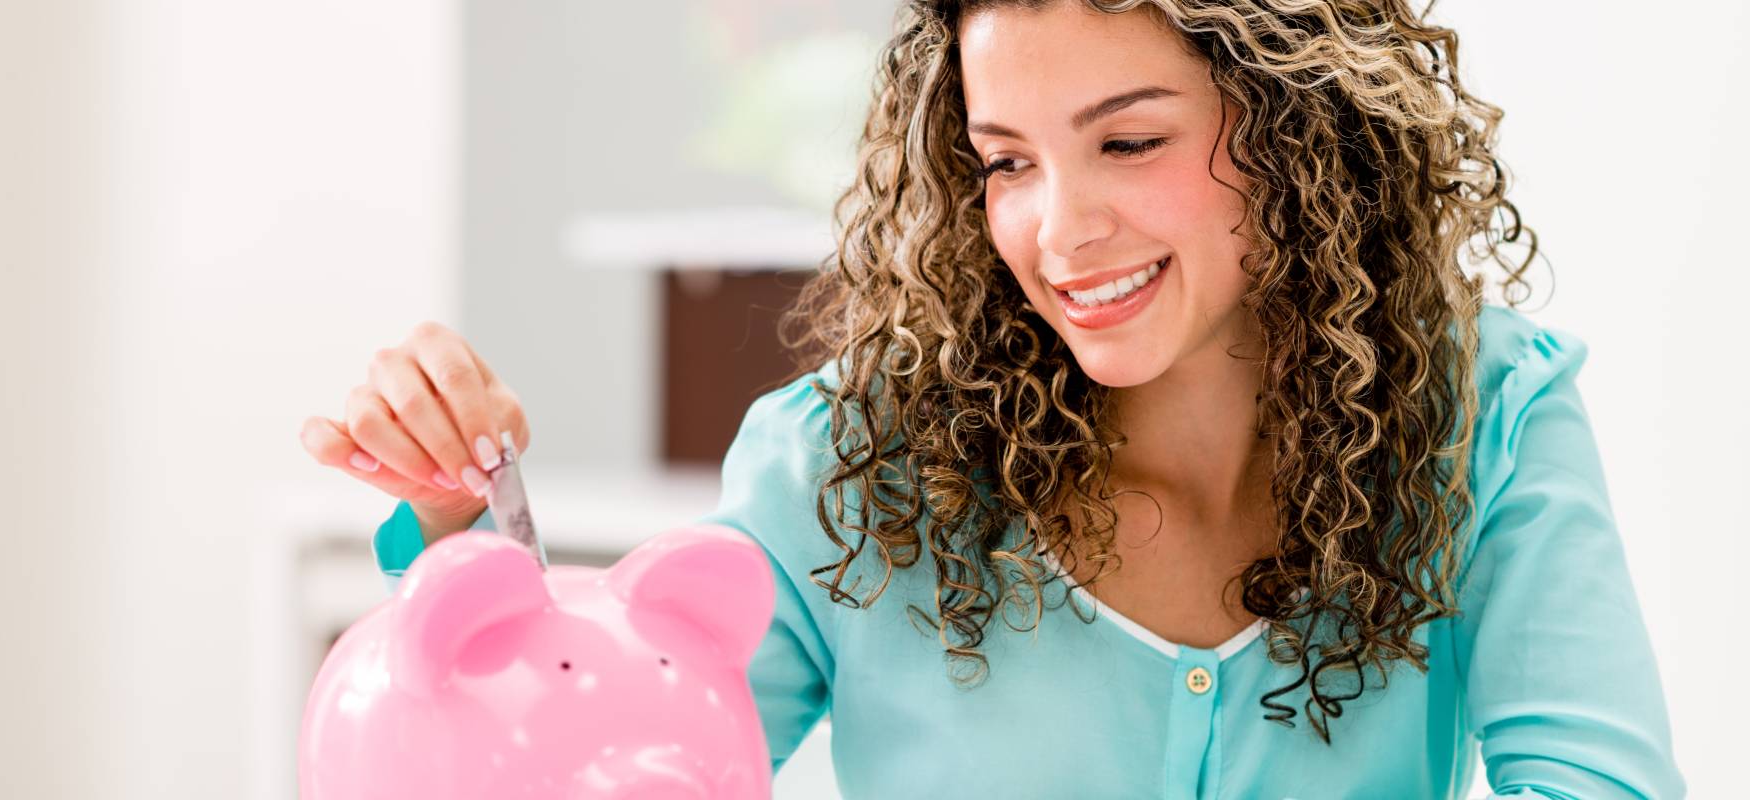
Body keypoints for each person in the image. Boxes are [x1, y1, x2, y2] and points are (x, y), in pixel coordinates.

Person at [299, 1, 1685, 797]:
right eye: (1007, 162)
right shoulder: (852, 463)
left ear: (1299, 127)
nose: (1058, 232)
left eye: (1129, 141)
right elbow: (616, 744)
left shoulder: (1486, 417)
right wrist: (463, 525)